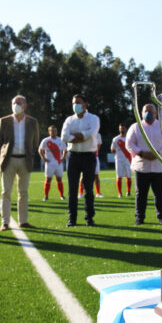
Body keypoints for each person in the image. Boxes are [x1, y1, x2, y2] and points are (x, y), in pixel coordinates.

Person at [0, 95, 40, 232]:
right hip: (8, 160)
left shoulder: (32, 122)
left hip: (25, 160)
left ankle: (23, 221)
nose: (15, 105)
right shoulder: (3, 121)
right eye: (14, 103)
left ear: (25, 106)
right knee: (6, 192)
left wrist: (28, 153)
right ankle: (5, 222)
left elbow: (35, 142)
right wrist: (6, 152)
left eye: (19, 103)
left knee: (23, 192)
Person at [126, 103, 162, 225]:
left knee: (160, 194)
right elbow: (129, 144)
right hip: (141, 166)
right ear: (141, 113)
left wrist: (158, 154)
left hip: (159, 166)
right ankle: (139, 218)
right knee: (141, 194)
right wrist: (141, 153)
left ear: (156, 113)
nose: (148, 113)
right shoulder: (135, 127)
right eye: (146, 110)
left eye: (151, 111)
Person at [61, 94, 100, 227]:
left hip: (88, 156)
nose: (75, 105)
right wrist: (81, 136)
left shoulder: (94, 118)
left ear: (85, 104)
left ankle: (89, 218)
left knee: (88, 189)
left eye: (78, 102)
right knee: (72, 189)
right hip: (73, 156)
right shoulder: (69, 120)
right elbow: (64, 136)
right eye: (73, 103)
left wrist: (76, 136)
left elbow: (91, 133)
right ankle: (72, 219)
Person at [38, 125, 66, 201]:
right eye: (52, 131)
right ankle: (46, 196)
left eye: (55, 131)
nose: (53, 132)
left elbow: (65, 150)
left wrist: (63, 157)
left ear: (57, 131)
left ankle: (61, 196)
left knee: (59, 179)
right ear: (49, 132)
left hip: (58, 163)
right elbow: (40, 150)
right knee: (48, 179)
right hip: (49, 164)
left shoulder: (61, 140)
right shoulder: (45, 140)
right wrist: (43, 158)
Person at [78, 132, 104, 198]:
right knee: (83, 175)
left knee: (96, 175)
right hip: (84, 157)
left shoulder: (98, 134)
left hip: (95, 157)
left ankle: (98, 193)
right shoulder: (83, 133)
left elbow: (98, 146)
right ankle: (80, 193)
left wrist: (92, 153)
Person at [111, 124, 132, 198]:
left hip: (128, 160)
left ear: (126, 129)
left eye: (123, 128)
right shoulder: (116, 139)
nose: (122, 129)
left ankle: (128, 191)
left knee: (129, 176)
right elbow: (112, 149)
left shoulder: (129, 138)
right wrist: (118, 155)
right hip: (119, 160)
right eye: (120, 128)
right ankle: (120, 193)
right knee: (119, 176)